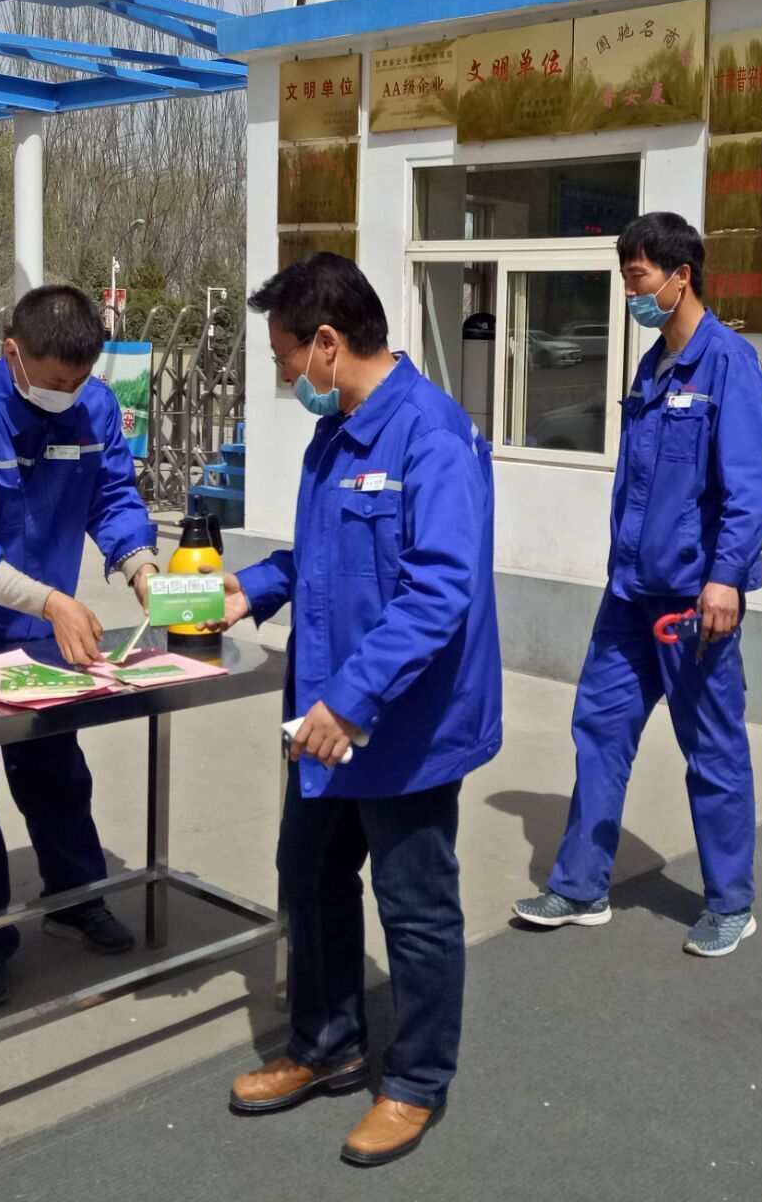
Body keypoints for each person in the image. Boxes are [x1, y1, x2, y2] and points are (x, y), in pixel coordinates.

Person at [221, 252, 500, 1168]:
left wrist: (350, 699)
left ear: (328, 344)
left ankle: (415, 1082)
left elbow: (439, 590)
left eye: (285, 358)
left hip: (402, 723)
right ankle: (327, 1043)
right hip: (328, 719)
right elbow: (322, 559)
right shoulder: (335, 433)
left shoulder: (431, 435)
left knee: (415, 907)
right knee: (307, 875)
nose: (284, 376)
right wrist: (250, 589)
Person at [512, 212, 762, 958]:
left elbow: (749, 490)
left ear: (680, 277)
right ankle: (581, 885)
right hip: (629, 593)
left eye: (637, 278)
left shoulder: (729, 364)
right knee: (598, 729)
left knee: (712, 747)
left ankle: (731, 903)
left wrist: (725, 579)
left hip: (694, 600)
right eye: (626, 278)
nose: (630, 293)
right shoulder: (651, 365)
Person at [0, 284, 158, 1008]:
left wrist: (141, 567)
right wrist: (50, 600)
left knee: (56, 775)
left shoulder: (93, 406)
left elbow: (113, 497)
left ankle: (76, 901)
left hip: (45, 637)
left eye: (80, 381)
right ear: (11, 353)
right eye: (54, 383)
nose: (68, 395)